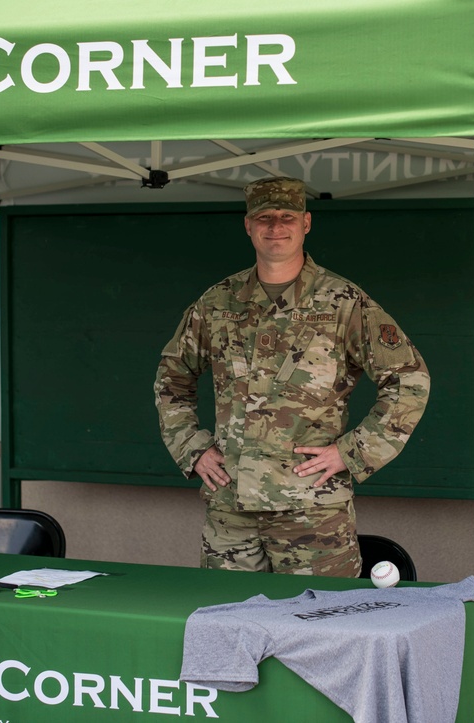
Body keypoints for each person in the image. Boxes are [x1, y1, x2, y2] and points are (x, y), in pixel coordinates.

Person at [154, 177, 430, 577]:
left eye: (287, 216)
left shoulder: (342, 301)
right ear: (248, 226)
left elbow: (409, 379)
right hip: (231, 511)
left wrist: (353, 452)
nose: (275, 226)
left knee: (321, 628)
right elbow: (171, 379)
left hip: (312, 514)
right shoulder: (217, 303)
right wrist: (192, 448)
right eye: (264, 217)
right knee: (230, 629)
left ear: (306, 223)